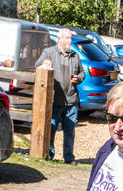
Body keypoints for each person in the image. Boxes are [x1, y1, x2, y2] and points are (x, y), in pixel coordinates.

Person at [34, 29, 84, 164]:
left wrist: (78, 78)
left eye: (71, 39)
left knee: (69, 132)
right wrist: (45, 63)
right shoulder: (49, 52)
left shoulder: (75, 56)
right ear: (59, 39)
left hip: (71, 101)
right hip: (55, 101)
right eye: (67, 38)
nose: (70, 41)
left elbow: (82, 73)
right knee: (51, 129)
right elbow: (37, 65)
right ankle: (49, 155)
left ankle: (69, 158)